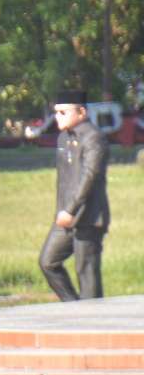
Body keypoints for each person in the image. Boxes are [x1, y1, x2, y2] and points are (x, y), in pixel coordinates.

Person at [39, 89, 109, 301]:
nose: (57, 117)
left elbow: (90, 177)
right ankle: (73, 307)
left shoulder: (94, 138)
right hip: (64, 217)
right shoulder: (64, 138)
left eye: (63, 112)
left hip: (88, 216)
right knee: (48, 262)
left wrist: (70, 210)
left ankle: (93, 318)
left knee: (86, 272)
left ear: (81, 112)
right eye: (56, 112)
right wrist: (62, 211)